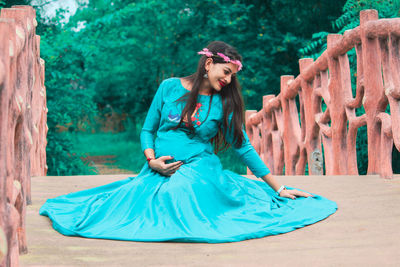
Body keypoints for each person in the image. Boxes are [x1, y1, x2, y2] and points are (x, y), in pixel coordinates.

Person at [39, 41, 337, 243]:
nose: (229, 81)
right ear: (208, 64)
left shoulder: (224, 103)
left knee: (178, 193)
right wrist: (151, 159)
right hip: (156, 169)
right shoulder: (169, 87)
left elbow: (242, 146)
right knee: (121, 204)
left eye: (233, 76)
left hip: (199, 168)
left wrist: (279, 187)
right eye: (226, 72)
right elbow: (147, 130)